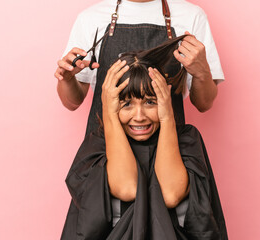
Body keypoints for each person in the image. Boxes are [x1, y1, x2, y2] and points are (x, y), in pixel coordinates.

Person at [61, 36, 227, 239]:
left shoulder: (187, 139)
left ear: (164, 99)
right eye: (127, 104)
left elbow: (170, 194)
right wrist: (109, 111)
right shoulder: (97, 144)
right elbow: (128, 189)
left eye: (150, 102)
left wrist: (167, 117)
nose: (139, 117)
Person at [55, 0, 225, 136]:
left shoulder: (191, 16)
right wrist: (68, 79)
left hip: (168, 155)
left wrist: (202, 72)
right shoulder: (90, 18)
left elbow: (204, 103)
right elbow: (72, 102)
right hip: (104, 152)